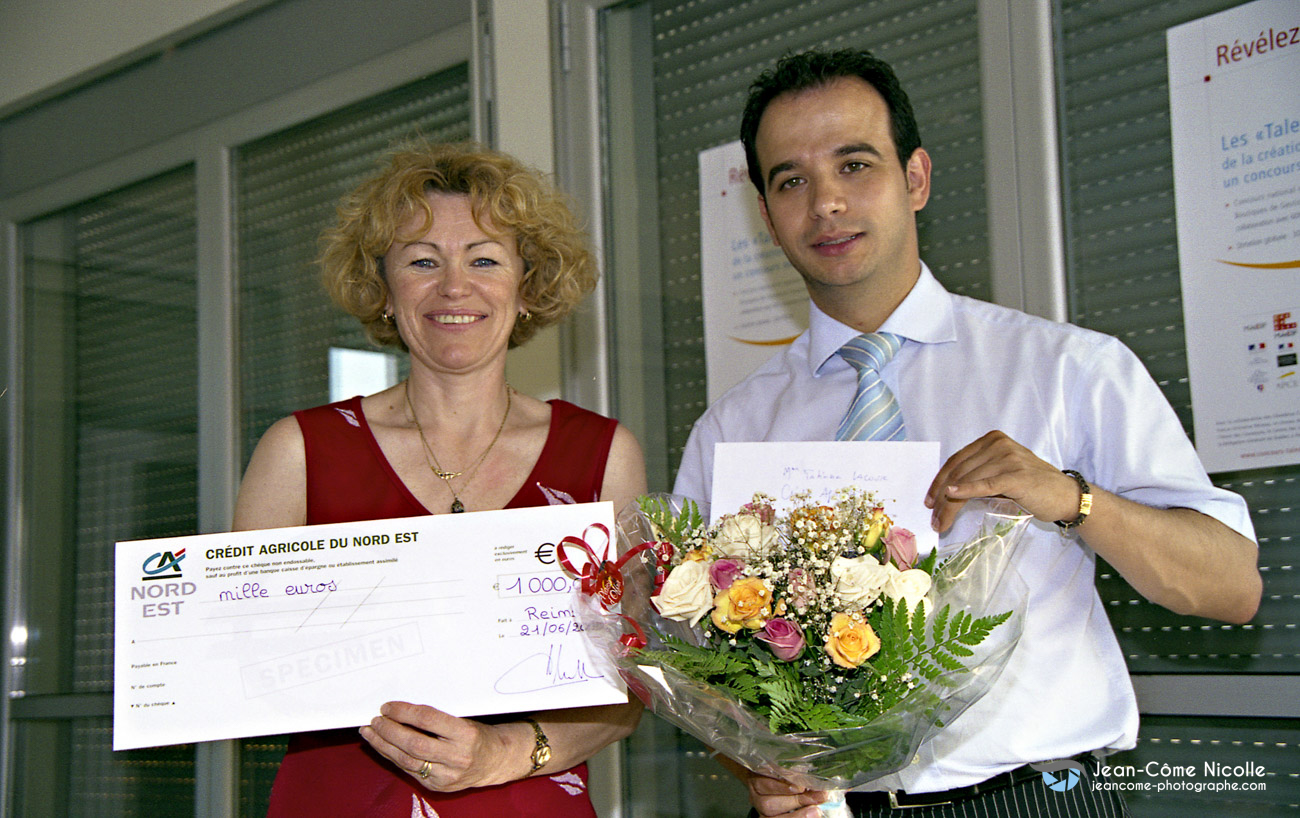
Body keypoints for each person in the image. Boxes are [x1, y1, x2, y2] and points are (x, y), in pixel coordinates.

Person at [673, 49, 1261, 818]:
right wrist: (755, 766)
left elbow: (1231, 587)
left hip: (1031, 801)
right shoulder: (733, 429)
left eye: (855, 165)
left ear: (915, 178)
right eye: (791, 181)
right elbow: (695, 661)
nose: (826, 203)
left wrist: (1071, 499)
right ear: (766, 216)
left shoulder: (1065, 367)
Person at [233, 140, 646, 817]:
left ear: (527, 285)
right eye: (423, 261)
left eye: (484, 259)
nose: (455, 287)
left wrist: (502, 754)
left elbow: (626, 687)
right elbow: (240, 662)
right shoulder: (298, 452)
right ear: (384, 290)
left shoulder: (603, 455)